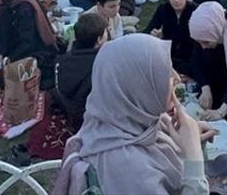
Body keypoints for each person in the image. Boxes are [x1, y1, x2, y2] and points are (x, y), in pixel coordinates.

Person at [54, 34, 210, 195]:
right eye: (167, 73)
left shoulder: (117, 121)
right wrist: (194, 155)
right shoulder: (129, 168)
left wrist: (192, 138)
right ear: (140, 87)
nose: (177, 78)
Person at [0, 0, 60, 89]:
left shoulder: (25, 4)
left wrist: (8, 60)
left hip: (32, 55)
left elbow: (27, 43)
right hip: (13, 47)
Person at [53, 11, 108, 128]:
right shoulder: (102, 64)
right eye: (105, 33)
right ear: (99, 39)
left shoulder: (62, 59)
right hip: (88, 118)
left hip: (66, 109)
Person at [144, 0, 198, 76]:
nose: (176, 0)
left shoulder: (195, 10)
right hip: (168, 53)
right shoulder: (163, 9)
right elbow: (148, 30)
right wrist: (153, 34)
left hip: (190, 55)